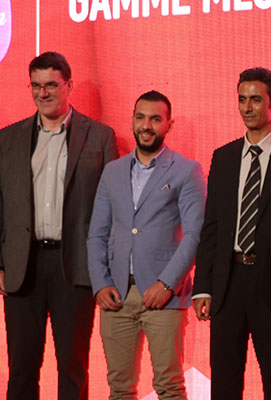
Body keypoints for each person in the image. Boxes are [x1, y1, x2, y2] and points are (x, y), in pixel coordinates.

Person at [0, 51, 118, 400]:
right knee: (22, 367)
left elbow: (112, 209)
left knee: (73, 367)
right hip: (21, 265)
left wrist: (107, 269)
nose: (44, 93)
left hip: (75, 267)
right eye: (36, 86)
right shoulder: (7, 138)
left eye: (52, 85)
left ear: (68, 86)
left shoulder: (100, 137)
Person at [191, 67, 271, 399]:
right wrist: (203, 285)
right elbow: (213, 226)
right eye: (242, 99)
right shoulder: (224, 156)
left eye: (256, 100)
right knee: (225, 383)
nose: (247, 108)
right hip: (227, 285)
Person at [87, 90, 206, 400]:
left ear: (169, 124)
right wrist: (100, 284)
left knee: (170, 387)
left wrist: (167, 284)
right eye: (141, 117)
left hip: (165, 297)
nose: (147, 125)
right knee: (119, 389)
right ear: (132, 121)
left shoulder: (186, 170)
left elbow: (195, 234)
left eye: (155, 118)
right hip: (116, 295)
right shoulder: (113, 171)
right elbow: (96, 233)